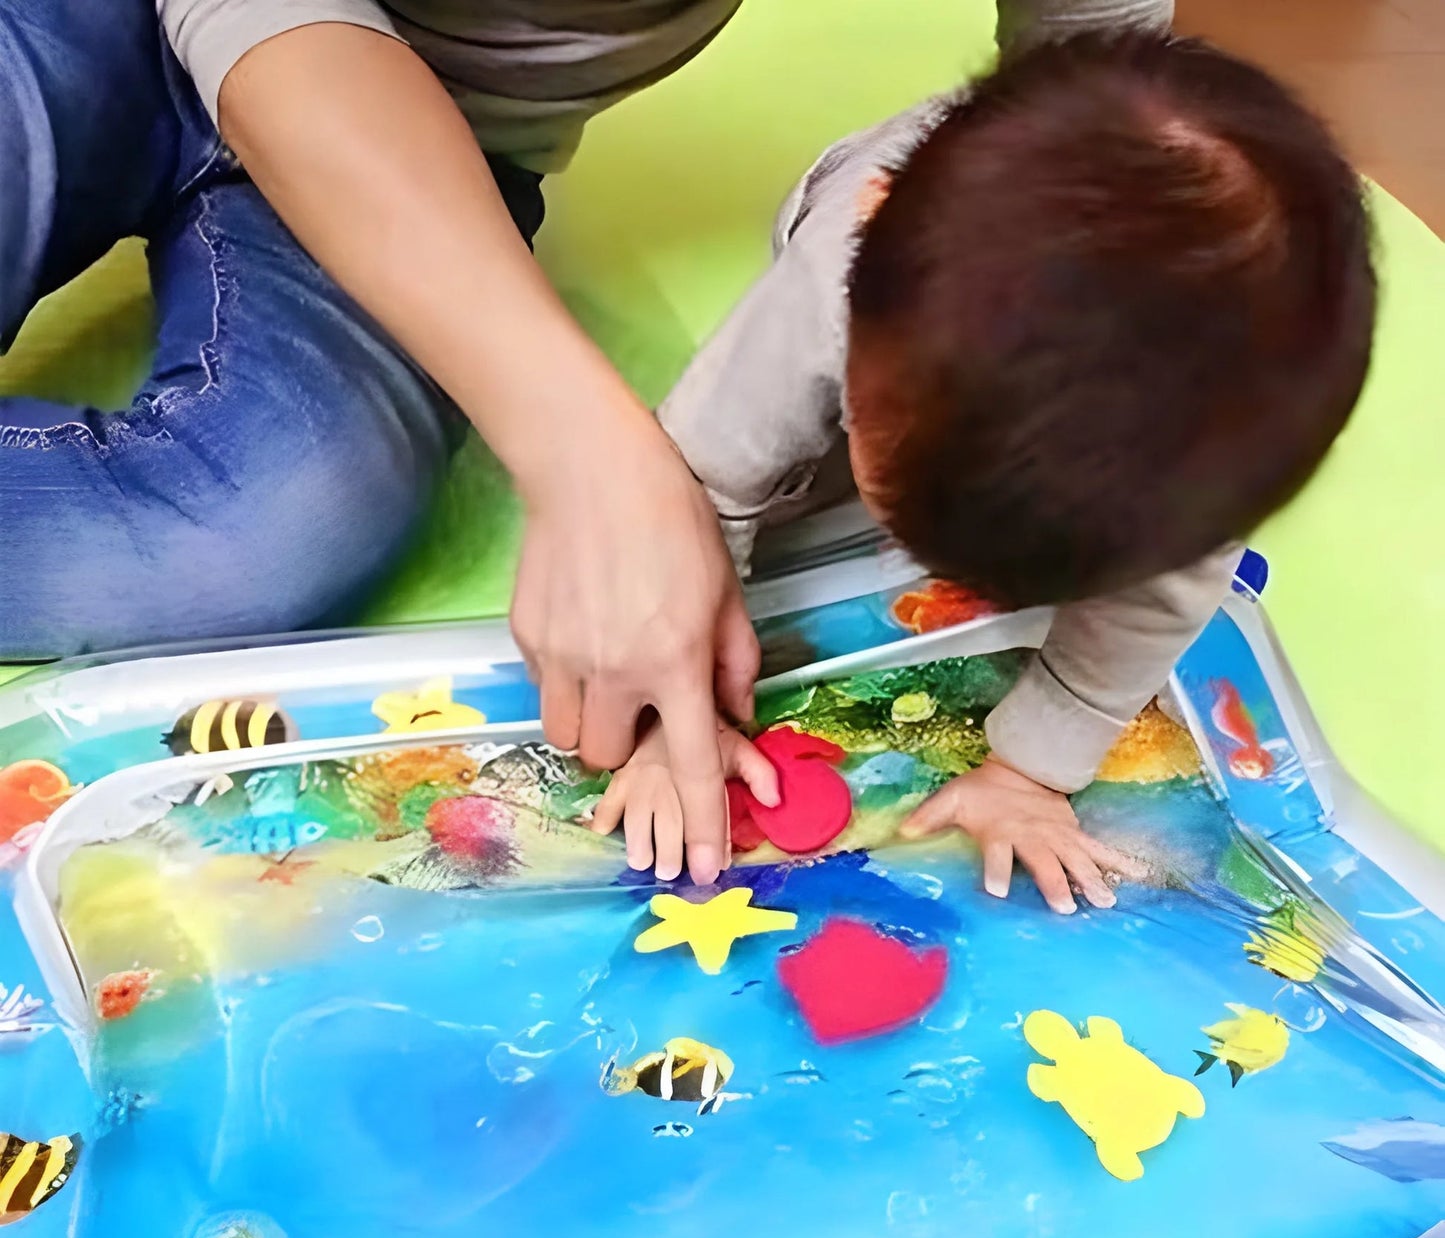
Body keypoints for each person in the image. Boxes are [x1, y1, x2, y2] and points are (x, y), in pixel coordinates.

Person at [0, 0, 1173, 891]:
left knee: (254, 532)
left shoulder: (1168, 381)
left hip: (432, 139)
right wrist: (602, 475)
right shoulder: (837, 282)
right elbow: (719, 465)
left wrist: (1032, 764)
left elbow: (1102, 86)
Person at [593, 32, 1375, 910]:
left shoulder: (1221, 434)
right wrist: (676, 716)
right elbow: (694, 484)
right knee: (746, 470)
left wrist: (1031, 769)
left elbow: (1159, 598)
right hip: (852, 232)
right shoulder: (838, 272)